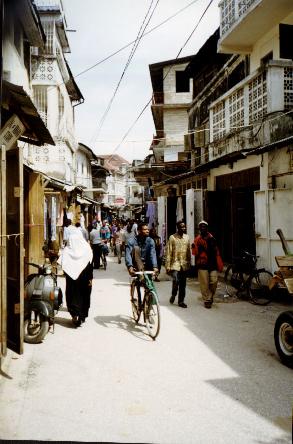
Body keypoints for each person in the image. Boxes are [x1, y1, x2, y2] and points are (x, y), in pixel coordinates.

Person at [58, 230, 93, 327]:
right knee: (84, 296)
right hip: (85, 279)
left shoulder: (67, 251)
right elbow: (90, 265)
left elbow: (62, 265)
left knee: (72, 295)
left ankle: (74, 315)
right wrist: (90, 278)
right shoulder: (87, 249)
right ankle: (82, 316)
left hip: (72, 281)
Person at [192, 220, 222, 309]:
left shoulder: (212, 238)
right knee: (204, 283)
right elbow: (194, 253)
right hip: (202, 264)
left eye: (204, 227)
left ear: (207, 228)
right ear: (199, 229)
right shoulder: (197, 240)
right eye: (201, 227)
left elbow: (217, 251)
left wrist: (218, 261)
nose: (203, 228)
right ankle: (207, 300)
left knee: (214, 281)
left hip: (212, 263)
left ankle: (210, 296)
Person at [165, 220, 191, 308]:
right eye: (181, 227)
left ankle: (181, 301)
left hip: (184, 264)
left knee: (183, 284)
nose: (183, 228)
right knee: (176, 281)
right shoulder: (172, 237)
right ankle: (173, 294)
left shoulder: (187, 237)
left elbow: (188, 251)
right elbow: (169, 252)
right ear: (178, 227)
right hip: (175, 264)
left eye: (184, 227)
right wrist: (167, 266)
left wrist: (189, 263)